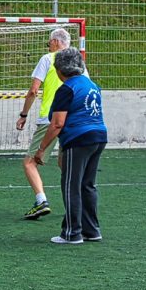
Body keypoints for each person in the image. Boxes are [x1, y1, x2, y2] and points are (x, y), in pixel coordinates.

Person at [33, 46, 108, 245]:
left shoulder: (66, 89)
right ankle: (92, 230)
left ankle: (72, 233)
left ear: (59, 70)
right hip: (99, 136)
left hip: (78, 138)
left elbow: (58, 123)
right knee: (87, 185)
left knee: (71, 185)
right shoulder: (92, 85)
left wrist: (41, 149)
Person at [16, 28, 73, 220]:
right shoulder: (77, 62)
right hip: (72, 119)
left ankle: (41, 201)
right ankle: (76, 202)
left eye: (49, 42)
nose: (49, 46)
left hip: (50, 119)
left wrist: (23, 114)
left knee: (30, 162)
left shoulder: (48, 59)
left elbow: (33, 90)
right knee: (65, 163)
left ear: (56, 42)